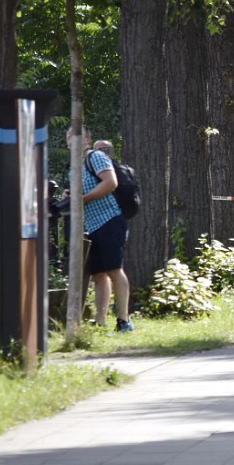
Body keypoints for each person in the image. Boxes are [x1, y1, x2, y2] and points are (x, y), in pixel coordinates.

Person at [66, 127, 132, 332]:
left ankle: (124, 321)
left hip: (110, 219)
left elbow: (110, 183)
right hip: (91, 225)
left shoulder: (94, 156)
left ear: (86, 139)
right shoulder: (73, 166)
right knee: (98, 274)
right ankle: (100, 321)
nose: (70, 139)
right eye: (68, 136)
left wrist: (82, 199)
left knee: (113, 269)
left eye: (75, 135)